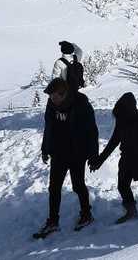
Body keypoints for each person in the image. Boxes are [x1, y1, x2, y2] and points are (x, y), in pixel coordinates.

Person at [34, 78, 99, 239]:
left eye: (55, 97)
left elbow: (92, 131)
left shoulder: (81, 103)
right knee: (54, 188)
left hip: (78, 152)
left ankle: (86, 215)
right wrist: (45, 149)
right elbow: (48, 127)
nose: (52, 100)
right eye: (50, 97)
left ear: (64, 94)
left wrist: (93, 154)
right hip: (59, 152)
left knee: (78, 185)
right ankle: (53, 222)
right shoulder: (51, 104)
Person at [90, 92, 138, 223]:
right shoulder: (121, 121)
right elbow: (113, 142)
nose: (120, 115)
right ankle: (131, 211)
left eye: (122, 110)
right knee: (123, 186)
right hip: (127, 159)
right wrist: (99, 161)